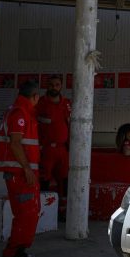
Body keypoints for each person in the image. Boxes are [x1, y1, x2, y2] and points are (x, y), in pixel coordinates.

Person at [0, 80, 41, 257]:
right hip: (19, 174)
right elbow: (15, 144)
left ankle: (20, 250)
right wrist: (27, 169)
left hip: (23, 173)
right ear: (34, 97)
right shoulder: (19, 113)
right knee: (25, 214)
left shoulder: (21, 112)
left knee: (31, 212)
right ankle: (10, 255)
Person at [36, 75, 71, 203]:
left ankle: (63, 210)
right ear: (47, 86)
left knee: (64, 179)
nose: (54, 87)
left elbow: (71, 125)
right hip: (46, 149)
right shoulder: (40, 103)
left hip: (63, 149)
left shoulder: (66, 103)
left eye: (57, 85)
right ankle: (43, 210)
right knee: (44, 178)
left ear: (61, 86)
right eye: (51, 85)